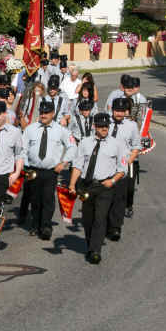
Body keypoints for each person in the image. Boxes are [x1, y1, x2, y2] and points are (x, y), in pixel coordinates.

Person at [69, 113, 127, 264]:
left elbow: (123, 168)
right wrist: (72, 184)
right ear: (94, 126)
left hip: (105, 186)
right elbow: (77, 165)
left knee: (100, 218)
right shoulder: (85, 142)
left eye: (106, 126)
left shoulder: (117, 144)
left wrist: (112, 180)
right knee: (88, 219)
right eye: (101, 126)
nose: (104, 129)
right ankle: (91, 245)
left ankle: (95, 251)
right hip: (87, 186)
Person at [22, 100, 76, 239]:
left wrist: (63, 163)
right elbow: (22, 148)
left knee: (47, 198)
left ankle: (46, 226)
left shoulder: (61, 130)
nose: (43, 115)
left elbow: (72, 146)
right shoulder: (30, 129)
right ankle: (35, 224)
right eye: (42, 112)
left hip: (51, 171)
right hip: (33, 170)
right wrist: (25, 165)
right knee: (35, 199)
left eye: (47, 113)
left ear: (53, 113)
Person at [106, 98, 141, 239]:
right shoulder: (104, 122)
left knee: (119, 199)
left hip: (123, 167)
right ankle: (105, 224)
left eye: (121, 111)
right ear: (112, 110)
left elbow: (136, 147)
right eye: (116, 111)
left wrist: (127, 163)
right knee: (106, 197)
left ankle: (115, 227)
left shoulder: (132, 126)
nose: (119, 114)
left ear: (126, 111)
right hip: (106, 166)